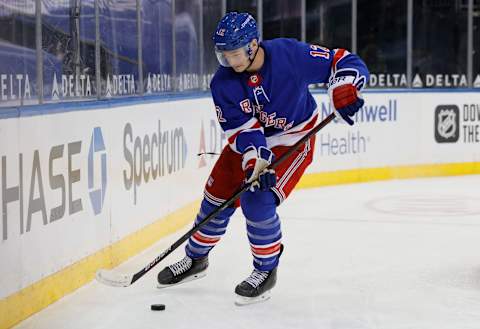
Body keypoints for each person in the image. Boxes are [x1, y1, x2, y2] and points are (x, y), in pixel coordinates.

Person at [157, 12, 369, 305]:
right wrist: (256, 161)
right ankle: (195, 259)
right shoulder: (223, 83)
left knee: (258, 199)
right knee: (216, 196)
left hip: (292, 138)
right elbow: (243, 132)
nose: (230, 62)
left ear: (253, 44)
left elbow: (342, 61)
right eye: (224, 56)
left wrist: (343, 88)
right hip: (250, 144)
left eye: (234, 54)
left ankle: (266, 270)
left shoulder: (290, 55)